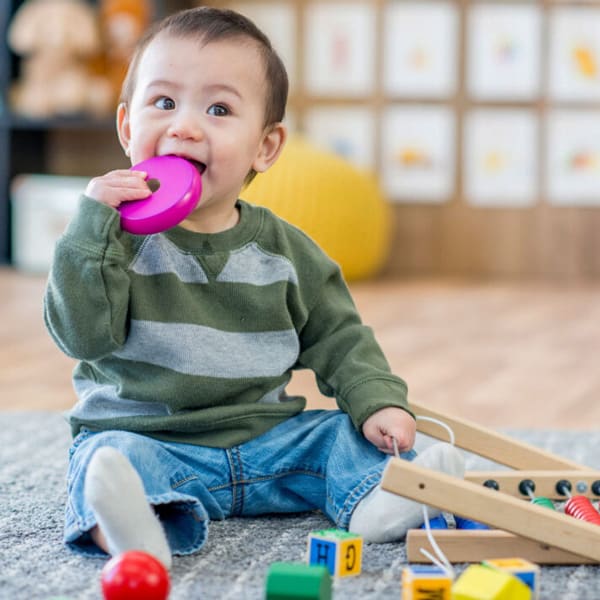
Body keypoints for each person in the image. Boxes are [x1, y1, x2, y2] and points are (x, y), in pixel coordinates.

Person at [44, 7, 464, 570]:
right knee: (108, 458)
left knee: (340, 438)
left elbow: (339, 336)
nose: (185, 126)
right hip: (153, 438)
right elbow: (83, 337)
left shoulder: (287, 252)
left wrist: (377, 401)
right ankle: (133, 531)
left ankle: (384, 496)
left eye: (218, 109)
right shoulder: (109, 241)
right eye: (163, 103)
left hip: (269, 444)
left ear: (265, 147)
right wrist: (90, 229)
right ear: (126, 128)